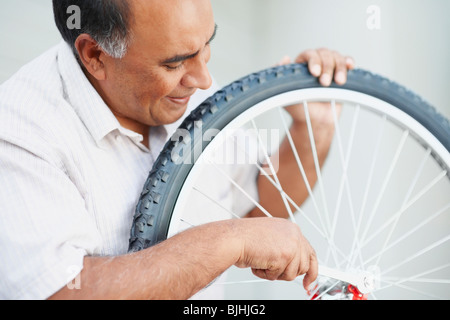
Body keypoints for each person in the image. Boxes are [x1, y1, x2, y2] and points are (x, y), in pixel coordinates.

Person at [0, 0, 354, 300]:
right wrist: (231, 240)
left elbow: (260, 203)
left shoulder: (188, 83)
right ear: (94, 54)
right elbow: (61, 292)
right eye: (174, 63)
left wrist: (313, 128)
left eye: (207, 45)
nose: (203, 80)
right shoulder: (19, 131)